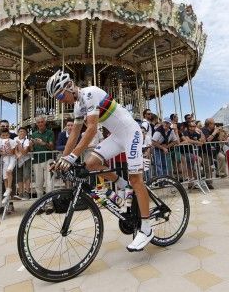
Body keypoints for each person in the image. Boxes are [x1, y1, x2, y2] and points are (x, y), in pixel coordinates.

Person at [47, 70, 153, 252]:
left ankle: (146, 228)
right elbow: (74, 134)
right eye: (57, 97)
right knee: (90, 163)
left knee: (136, 179)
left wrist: (72, 157)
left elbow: (91, 130)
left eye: (60, 95)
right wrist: (63, 158)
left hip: (131, 133)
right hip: (117, 136)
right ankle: (123, 185)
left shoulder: (90, 93)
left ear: (69, 86)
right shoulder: (78, 106)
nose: (60, 100)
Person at [30, 115, 55, 198]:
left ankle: (49, 204)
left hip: (48, 159)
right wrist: (31, 145)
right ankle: (39, 204)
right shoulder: (33, 134)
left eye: (42, 122)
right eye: (38, 122)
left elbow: (52, 147)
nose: (40, 124)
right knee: (38, 183)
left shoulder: (50, 132)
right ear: (36, 124)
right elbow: (32, 149)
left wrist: (43, 143)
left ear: (45, 122)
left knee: (49, 182)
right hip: (37, 160)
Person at [0, 128, 17, 205]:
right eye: (3, 135)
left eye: (6, 135)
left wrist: (8, 147)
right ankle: (7, 193)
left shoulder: (12, 141)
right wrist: (1, 152)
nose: (5, 136)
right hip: (4, 159)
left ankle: (9, 188)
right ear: (0, 135)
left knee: (9, 171)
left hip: (11, 158)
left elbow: (12, 152)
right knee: (5, 177)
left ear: (9, 135)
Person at [14, 127, 32, 199]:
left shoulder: (27, 140)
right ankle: (20, 193)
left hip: (26, 160)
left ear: (26, 134)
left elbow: (25, 152)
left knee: (26, 175)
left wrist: (19, 145)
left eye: (24, 132)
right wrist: (17, 154)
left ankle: (27, 192)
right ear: (18, 132)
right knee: (19, 177)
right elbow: (14, 149)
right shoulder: (15, 139)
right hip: (18, 160)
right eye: (20, 131)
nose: (22, 133)